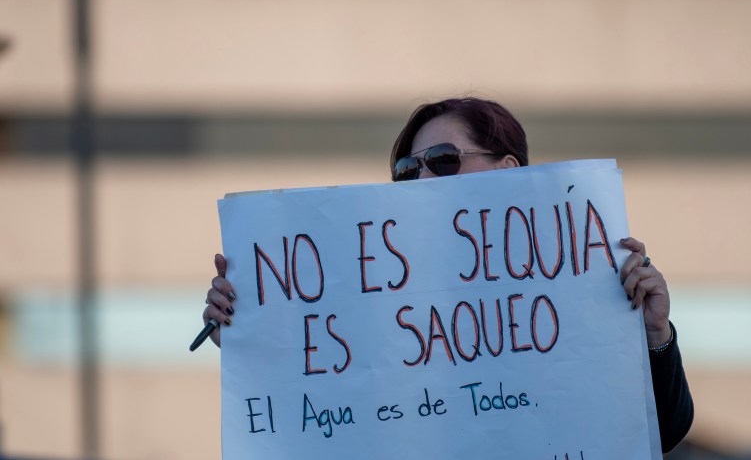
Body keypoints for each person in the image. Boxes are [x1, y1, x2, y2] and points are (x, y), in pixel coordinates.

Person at [202, 97, 694, 453]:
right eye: (407, 170)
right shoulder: (370, 299)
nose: (421, 180)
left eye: (442, 161)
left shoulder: (584, 280)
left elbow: (660, 432)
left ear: (507, 169)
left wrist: (653, 336)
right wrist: (258, 335)